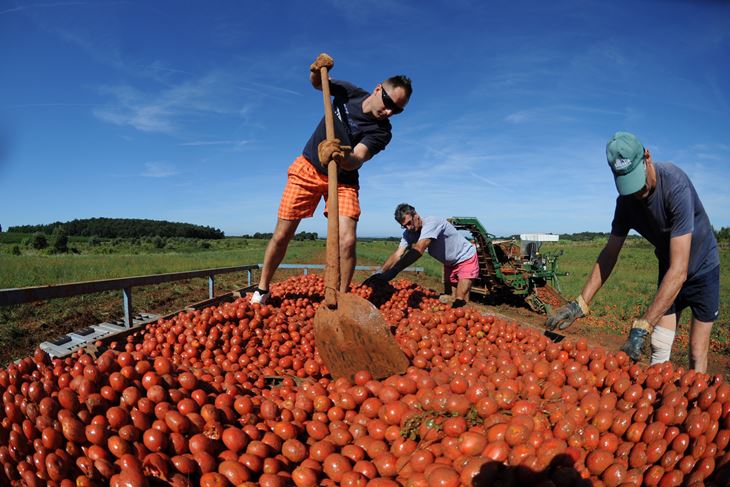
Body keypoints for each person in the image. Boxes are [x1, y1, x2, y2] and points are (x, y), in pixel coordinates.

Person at [546, 132, 720, 372]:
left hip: (703, 268)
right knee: (659, 343)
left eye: (637, 180)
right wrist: (580, 303)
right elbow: (610, 254)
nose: (637, 192)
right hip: (670, 266)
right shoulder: (626, 203)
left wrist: (642, 325)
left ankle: (695, 400)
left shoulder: (675, 186)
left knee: (696, 349)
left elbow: (681, 271)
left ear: (647, 157)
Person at [250, 53, 412, 304]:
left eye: (397, 110)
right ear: (378, 89)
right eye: (389, 102)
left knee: (347, 241)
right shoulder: (350, 93)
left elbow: (359, 157)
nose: (389, 112)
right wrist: (316, 70)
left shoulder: (382, 132)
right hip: (308, 168)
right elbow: (318, 83)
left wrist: (341, 156)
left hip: (344, 180)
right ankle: (262, 289)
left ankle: (343, 299)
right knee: (283, 234)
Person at [365, 204, 479, 308]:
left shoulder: (432, 223)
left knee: (460, 300)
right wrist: (379, 273)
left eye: (409, 223)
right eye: (404, 226)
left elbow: (419, 249)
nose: (408, 228)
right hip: (449, 263)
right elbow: (397, 254)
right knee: (451, 298)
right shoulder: (408, 234)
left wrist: (393, 272)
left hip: (465, 257)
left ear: (416, 216)